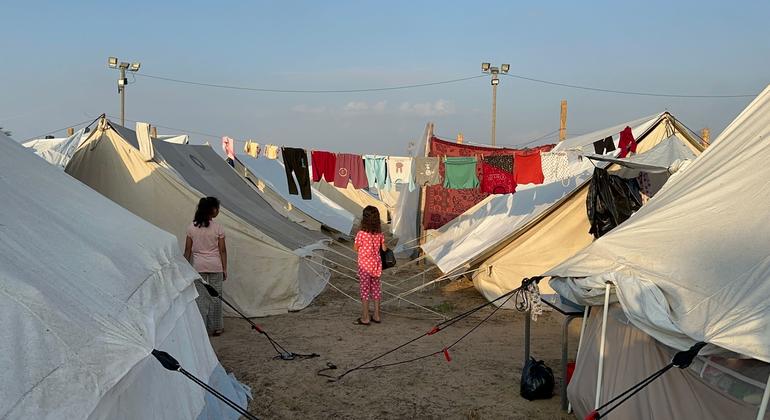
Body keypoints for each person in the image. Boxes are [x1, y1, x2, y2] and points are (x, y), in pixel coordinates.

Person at [184, 197, 228, 336]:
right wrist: (225, 268)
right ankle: (216, 327)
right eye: (217, 208)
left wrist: (185, 267)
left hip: (198, 266)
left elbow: (187, 251)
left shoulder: (191, 227)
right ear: (212, 210)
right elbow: (222, 250)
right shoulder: (218, 228)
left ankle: (201, 327)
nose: (218, 210)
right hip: (215, 266)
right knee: (216, 296)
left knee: (201, 298)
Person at [353, 205, 387, 325]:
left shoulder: (361, 234)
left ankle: (365, 317)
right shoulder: (379, 234)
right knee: (376, 289)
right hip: (376, 265)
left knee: (365, 290)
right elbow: (384, 248)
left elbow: (356, 248)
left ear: (364, 219)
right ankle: (377, 315)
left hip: (364, 266)